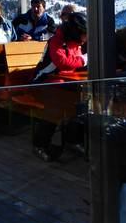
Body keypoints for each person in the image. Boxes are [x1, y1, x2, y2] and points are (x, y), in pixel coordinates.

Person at [31, 12, 89, 161]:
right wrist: (84, 60)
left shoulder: (74, 43)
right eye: (84, 34)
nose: (85, 38)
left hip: (62, 83)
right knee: (56, 106)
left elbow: (73, 63)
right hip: (42, 83)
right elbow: (62, 62)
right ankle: (40, 144)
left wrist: (81, 60)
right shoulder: (56, 41)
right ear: (76, 32)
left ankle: (72, 139)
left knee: (82, 102)